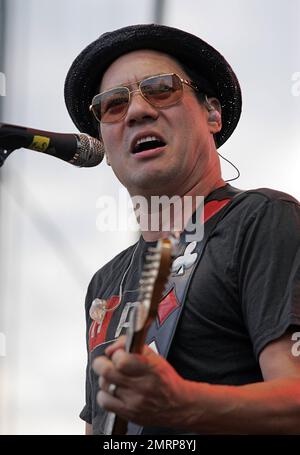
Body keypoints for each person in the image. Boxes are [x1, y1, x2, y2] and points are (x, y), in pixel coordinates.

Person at [64, 24, 300, 435]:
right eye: (113, 105)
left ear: (212, 114)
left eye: (161, 88)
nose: (137, 111)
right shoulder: (105, 284)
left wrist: (184, 405)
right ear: (103, 142)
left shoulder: (262, 219)